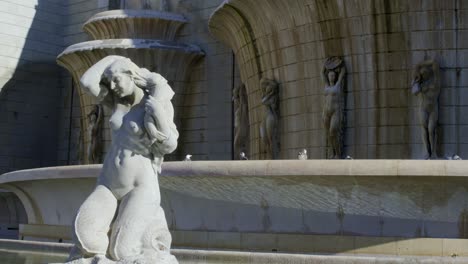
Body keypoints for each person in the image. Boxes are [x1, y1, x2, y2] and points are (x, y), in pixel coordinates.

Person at [66, 55, 179, 264]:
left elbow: (170, 145)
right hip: (107, 184)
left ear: (131, 75)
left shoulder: (155, 103)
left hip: (141, 187)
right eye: (109, 82)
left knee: (123, 252)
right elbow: (87, 81)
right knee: (87, 239)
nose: (112, 86)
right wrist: (114, 58)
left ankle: (151, 233)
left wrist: (158, 115)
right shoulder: (116, 103)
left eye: (116, 79)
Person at [411, 59, 440, 159]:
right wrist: (416, 79)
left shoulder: (436, 81)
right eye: (422, 74)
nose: (423, 75)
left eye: (425, 73)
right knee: (424, 128)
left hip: (433, 109)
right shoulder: (420, 83)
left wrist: (420, 64)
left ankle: (433, 152)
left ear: (429, 73)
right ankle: (426, 152)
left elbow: (434, 63)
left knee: (431, 129)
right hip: (423, 108)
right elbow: (414, 92)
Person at [322, 57, 346, 159]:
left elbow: (343, 72)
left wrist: (339, 65)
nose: (331, 77)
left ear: (335, 77)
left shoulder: (337, 86)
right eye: (330, 75)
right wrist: (327, 64)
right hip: (326, 112)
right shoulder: (326, 86)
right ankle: (333, 153)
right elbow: (322, 73)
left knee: (333, 132)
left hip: (335, 112)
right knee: (329, 134)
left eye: (333, 75)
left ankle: (338, 153)